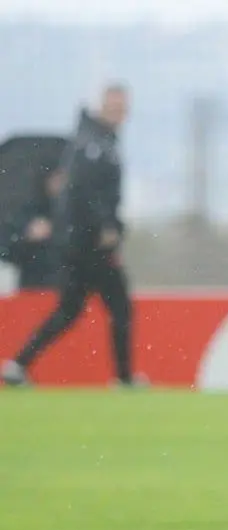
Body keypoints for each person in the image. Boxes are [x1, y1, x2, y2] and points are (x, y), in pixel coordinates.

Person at [3, 86, 136, 387]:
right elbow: (87, 193)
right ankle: (124, 378)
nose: (120, 112)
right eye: (114, 105)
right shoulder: (93, 145)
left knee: (69, 309)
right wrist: (106, 228)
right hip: (89, 244)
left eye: (123, 106)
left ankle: (18, 363)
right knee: (119, 307)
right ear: (101, 107)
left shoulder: (96, 141)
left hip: (77, 243)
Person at [0, 167, 66, 290]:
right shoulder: (27, 212)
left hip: (72, 289)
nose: (61, 184)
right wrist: (27, 236)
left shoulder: (80, 214)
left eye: (64, 179)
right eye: (56, 178)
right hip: (35, 287)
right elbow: (5, 249)